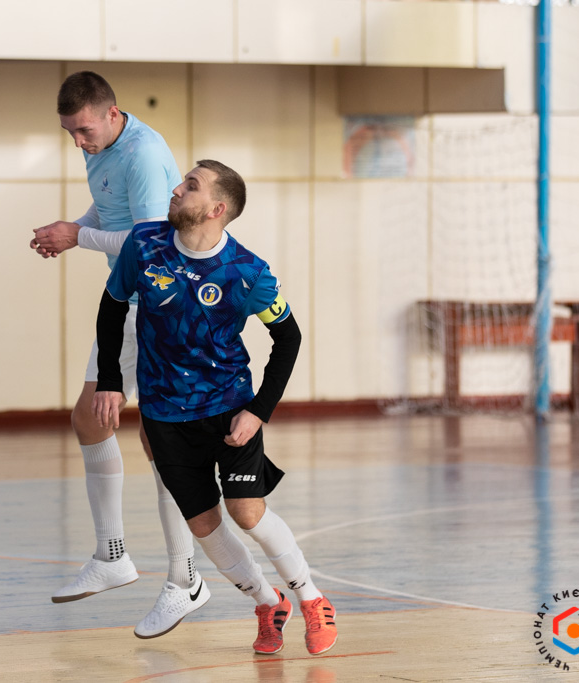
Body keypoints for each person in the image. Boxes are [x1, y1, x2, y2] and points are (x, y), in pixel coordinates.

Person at [91, 159, 338, 655]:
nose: (176, 189)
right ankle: (267, 603)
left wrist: (259, 411)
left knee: (246, 512)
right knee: (203, 524)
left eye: (191, 185)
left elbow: (288, 338)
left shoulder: (247, 272)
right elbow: (113, 306)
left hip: (229, 408)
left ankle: (311, 598)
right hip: (164, 413)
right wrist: (111, 382)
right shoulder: (145, 244)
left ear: (216, 209)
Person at [31, 71, 211, 638]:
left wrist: (76, 237)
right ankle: (112, 556)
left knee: (161, 440)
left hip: (160, 305)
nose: (78, 143)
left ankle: (185, 579)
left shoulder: (143, 155)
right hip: (127, 301)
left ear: (113, 114)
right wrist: (75, 226)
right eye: (69, 133)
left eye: (84, 130)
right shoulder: (104, 148)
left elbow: (149, 240)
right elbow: (110, 208)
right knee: (92, 419)